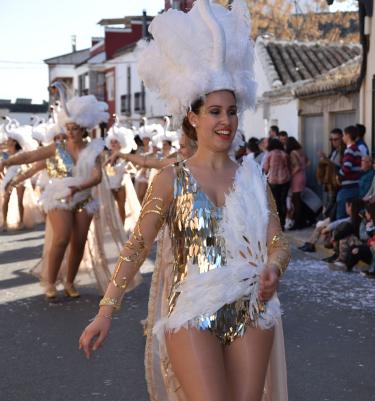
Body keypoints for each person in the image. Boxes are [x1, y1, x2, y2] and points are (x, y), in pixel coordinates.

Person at [79, 2, 290, 401]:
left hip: (252, 309)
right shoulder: (170, 179)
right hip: (193, 310)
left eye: (231, 111)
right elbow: (137, 246)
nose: (225, 121)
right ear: (193, 117)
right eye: (214, 111)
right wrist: (106, 311)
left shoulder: (252, 178)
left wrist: (273, 270)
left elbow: (278, 241)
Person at [0, 90, 109, 299]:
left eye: (74, 129)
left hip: (83, 197)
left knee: (79, 242)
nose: (70, 132)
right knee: (61, 238)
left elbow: (97, 177)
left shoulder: (93, 149)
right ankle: (50, 282)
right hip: (58, 197)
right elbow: (31, 156)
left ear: (83, 129)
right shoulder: (56, 148)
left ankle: (69, 282)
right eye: (68, 128)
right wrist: (7, 161)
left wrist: (78, 188)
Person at [263, 137, 291, 229]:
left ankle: (277, 223)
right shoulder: (284, 154)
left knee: (275, 203)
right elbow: (288, 166)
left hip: (273, 180)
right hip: (285, 180)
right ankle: (282, 223)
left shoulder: (270, 154)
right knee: (283, 202)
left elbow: (266, 168)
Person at [337, 125, 362, 219]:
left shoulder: (350, 150)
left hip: (348, 187)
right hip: (355, 185)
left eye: (343, 135)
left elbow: (346, 168)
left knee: (341, 216)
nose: (342, 137)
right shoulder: (357, 149)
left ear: (348, 135)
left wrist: (338, 176)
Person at [286, 136, 309, 229]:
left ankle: (298, 223)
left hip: (296, 178)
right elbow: (308, 162)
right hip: (303, 176)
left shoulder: (292, 153)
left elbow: (297, 166)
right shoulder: (301, 151)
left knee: (296, 201)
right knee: (299, 200)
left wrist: (290, 175)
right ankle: (302, 221)